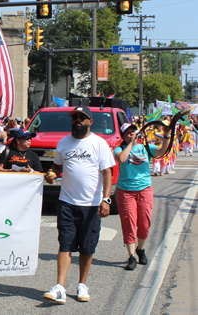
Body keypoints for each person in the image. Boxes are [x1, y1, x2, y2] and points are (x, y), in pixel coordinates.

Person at [44, 106, 116, 304]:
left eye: (82, 118)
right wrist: (52, 173)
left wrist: (106, 199)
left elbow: (107, 173)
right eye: (75, 117)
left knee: (87, 246)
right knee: (65, 243)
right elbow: (58, 165)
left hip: (91, 205)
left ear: (90, 122)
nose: (77, 120)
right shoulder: (63, 143)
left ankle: (82, 284)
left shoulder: (99, 143)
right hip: (67, 202)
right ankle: (60, 287)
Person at [114, 123, 170, 270]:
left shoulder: (145, 148)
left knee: (144, 224)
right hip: (126, 191)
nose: (132, 134)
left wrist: (167, 135)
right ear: (123, 136)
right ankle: (131, 256)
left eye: (133, 131)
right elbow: (121, 159)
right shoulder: (119, 149)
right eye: (128, 133)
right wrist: (131, 144)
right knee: (129, 223)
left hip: (145, 189)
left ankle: (140, 249)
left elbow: (161, 151)